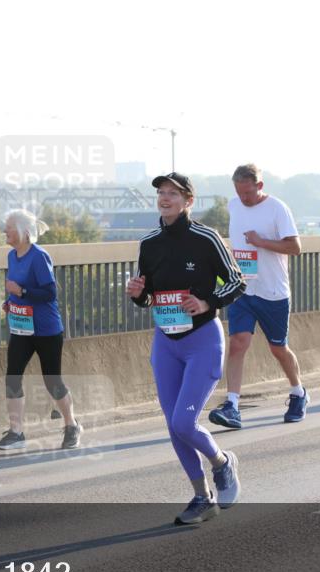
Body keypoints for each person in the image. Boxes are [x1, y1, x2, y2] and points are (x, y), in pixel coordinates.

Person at [126, 173, 245, 526]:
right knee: (173, 425)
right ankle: (201, 496)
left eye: (173, 193)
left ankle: (223, 462)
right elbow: (148, 297)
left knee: (184, 421)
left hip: (203, 341)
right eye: (161, 192)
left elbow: (237, 280)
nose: (165, 198)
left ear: (188, 201)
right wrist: (138, 294)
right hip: (166, 343)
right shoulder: (149, 243)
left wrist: (208, 302)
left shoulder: (205, 237)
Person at [208, 164, 308, 430]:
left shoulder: (277, 208)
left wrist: (261, 241)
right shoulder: (233, 206)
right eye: (239, 193)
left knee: (278, 348)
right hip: (243, 288)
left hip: (272, 291)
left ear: (260, 186)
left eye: (248, 193)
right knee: (238, 343)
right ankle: (231, 405)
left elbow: (295, 247)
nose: (243, 198)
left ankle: (298, 392)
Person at [0, 209, 81, 451]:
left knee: (52, 380)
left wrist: (22, 292)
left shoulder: (39, 256)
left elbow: (50, 292)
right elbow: (16, 287)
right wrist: (11, 301)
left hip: (47, 329)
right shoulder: (12, 256)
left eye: (9, 227)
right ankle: (16, 432)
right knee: (13, 376)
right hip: (22, 328)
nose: (5, 231)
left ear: (24, 232)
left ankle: (71, 425)